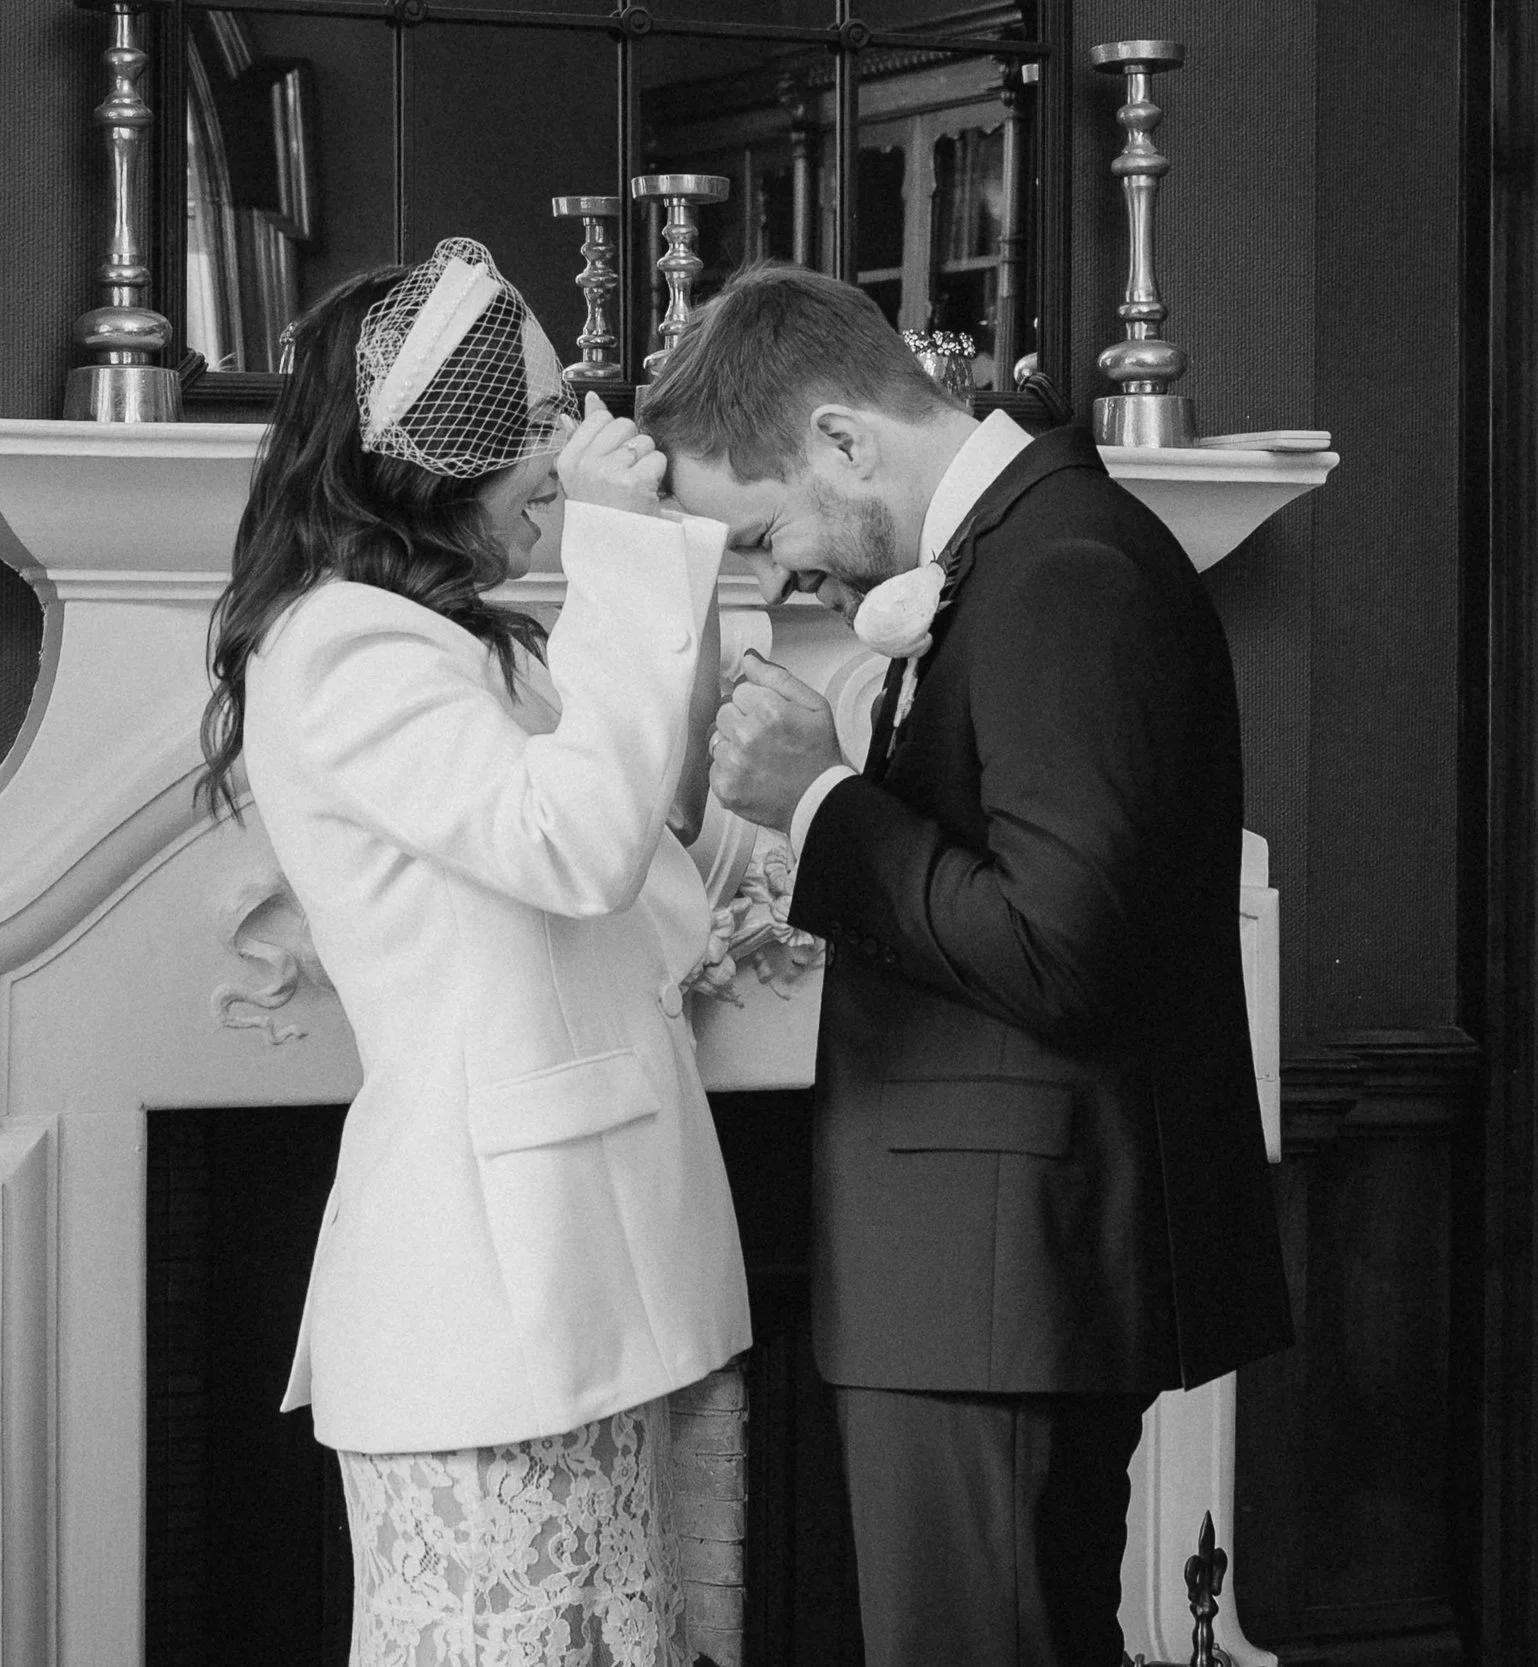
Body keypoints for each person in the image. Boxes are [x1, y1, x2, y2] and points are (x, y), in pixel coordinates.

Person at [647, 263, 1292, 1667]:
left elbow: (1066, 948)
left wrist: (823, 800)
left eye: (762, 532)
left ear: (842, 442)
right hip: (979, 1279)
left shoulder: (1066, 572)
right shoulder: (1025, 555)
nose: (779, 577)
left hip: (1003, 1286)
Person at [197, 238, 749, 1667]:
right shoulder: (339, 652)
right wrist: (626, 561)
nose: (568, 455)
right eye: (544, 420)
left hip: (608, 1280)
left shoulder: (465, 647)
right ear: (444, 455)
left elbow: (644, 901)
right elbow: (574, 845)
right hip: (495, 1312)